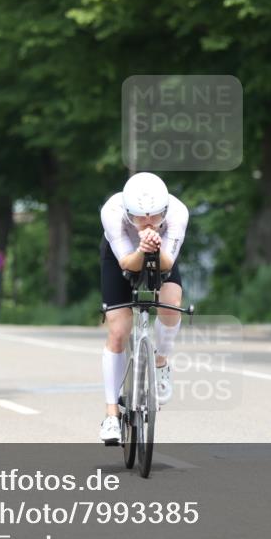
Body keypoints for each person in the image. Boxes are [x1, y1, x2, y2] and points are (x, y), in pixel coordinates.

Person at [98, 172, 189, 444]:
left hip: (162, 255)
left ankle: (161, 362)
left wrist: (155, 247)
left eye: (154, 217)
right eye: (139, 217)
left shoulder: (177, 212)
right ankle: (111, 415)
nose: (148, 222)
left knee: (171, 305)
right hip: (121, 257)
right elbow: (126, 262)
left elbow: (167, 264)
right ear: (128, 213)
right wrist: (142, 248)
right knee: (118, 330)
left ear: (165, 210)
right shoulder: (112, 211)